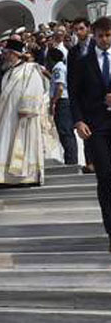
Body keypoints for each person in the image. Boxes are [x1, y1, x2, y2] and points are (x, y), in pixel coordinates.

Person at [70, 16, 111, 253]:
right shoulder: (83, 63)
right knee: (105, 177)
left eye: (108, 35)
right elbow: (74, 94)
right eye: (101, 35)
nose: (104, 39)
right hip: (96, 127)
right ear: (94, 36)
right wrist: (78, 120)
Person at [0, 39, 49, 186]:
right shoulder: (7, 73)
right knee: (6, 143)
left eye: (7, 53)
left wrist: (26, 108)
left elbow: (36, 88)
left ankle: (27, 178)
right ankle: (5, 178)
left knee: (24, 145)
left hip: (24, 116)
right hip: (8, 116)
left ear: (14, 54)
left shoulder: (30, 69)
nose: (4, 56)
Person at [67, 18, 95, 174]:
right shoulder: (73, 52)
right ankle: (90, 162)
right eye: (76, 30)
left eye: (81, 28)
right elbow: (71, 78)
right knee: (86, 129)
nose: (78, 32)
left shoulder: (97, 45)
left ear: (88, 28)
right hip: (83, 98)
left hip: (100, 94)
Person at [49, 49, 78, 165]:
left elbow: (60, 87)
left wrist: (53, 102)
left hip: (62, 102)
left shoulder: (58, 68)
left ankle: (71, 161)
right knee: (66, 132)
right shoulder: (63, 66)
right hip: (65, 101)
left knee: (65, 131)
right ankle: (71, 159)